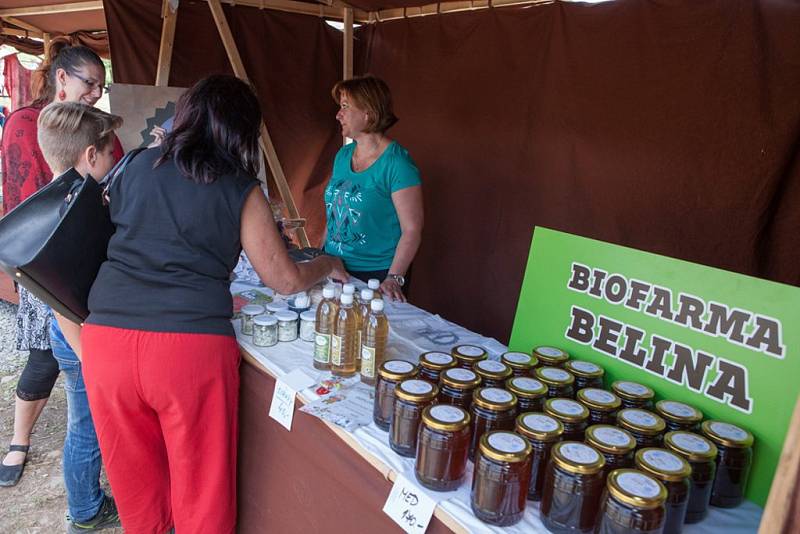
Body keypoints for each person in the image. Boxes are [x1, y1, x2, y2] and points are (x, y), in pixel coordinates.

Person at [80, 75, 347, 534]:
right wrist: (325, 263)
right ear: (243, 131)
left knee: (136, 485)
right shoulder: (240, 187)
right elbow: (283, 279)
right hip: (187, 348)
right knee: (201, 487)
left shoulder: (136, 165)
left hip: (107, 343)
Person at [0, 37, 122, 488]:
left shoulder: (97, 128)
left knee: (63, 362)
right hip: (47, 256)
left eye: (100, 85)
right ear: (62, 78)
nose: (95, 92)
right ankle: (19, 440)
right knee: (45, 358)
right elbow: (25, 203)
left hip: (78, 255)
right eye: (90, 83)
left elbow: (113, 175)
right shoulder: (25, 123)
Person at [35, 102, 123, 532]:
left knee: (84, 425)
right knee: (86, 428)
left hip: (78, 338)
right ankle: (86, 512)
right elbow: (59, 299)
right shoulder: (66, 215)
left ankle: (86, 505)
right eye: (109, 154)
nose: (112, 161)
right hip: (79, 341)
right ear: (90, 156)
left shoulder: (58, 201)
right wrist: (92, 357)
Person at [324, 74, 424, 302]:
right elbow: (334, 209)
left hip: (375, 278)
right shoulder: (343, 155)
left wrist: (394, 278)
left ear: (368, 113)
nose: (338, 115)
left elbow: (412, 229)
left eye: (345, 107)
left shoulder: (397, 164)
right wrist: (322, 254)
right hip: (335, 269)